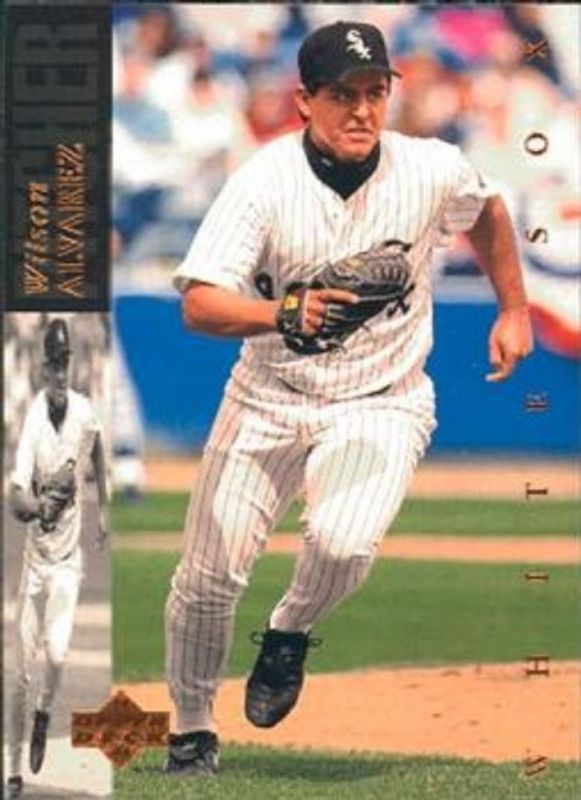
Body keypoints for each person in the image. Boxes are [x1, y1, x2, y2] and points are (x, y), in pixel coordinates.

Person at [164, 20, 533, 777]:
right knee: (207, 579)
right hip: (267, 396)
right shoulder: (263, 182)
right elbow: (198, 304)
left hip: (382, 398)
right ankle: (192, 729)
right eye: (342, 95)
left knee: (343, 542)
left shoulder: (430, 168)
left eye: (375, 92)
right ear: (305, 100)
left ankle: (290, 630)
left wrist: (514, 307)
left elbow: (488, 211)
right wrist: (280, 313)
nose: (362, 110)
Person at [5, 318, 109, 800]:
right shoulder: (32, 420)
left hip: (67, 563)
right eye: (54, 365)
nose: (60, 372)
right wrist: (38, 506)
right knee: (18, 673)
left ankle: (45, 713)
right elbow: (16, 496)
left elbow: (98, 450)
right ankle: (13, 770)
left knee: (58, 654)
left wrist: (103, 508)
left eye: (65, 363)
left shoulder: (85, 411)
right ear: (44, 369)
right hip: (34, 566)